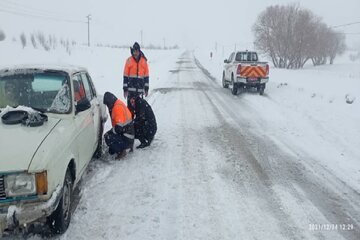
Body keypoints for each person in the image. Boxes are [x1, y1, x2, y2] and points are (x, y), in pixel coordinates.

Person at [103, 92, 135, 159]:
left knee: (108, 137)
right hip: (128, 135)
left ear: (109, 102)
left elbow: (118, 128)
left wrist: (110, 132)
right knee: (111, 150)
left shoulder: (117, 108)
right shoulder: (118, 103)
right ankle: (125, 147)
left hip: (127, 137)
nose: (107, 106)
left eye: (107, 104)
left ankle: (123, 150)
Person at [123, 42, 149, 106]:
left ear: (139, 51)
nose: (135, 53)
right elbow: (125, 76)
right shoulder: (128, 60)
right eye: (134, 51)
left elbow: (146, 77)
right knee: (130, 113)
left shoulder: (144, 61)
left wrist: (146, 89)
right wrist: (125, 89)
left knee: (140, 113)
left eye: (137, 51)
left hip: (140, 92)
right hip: (130, 92)